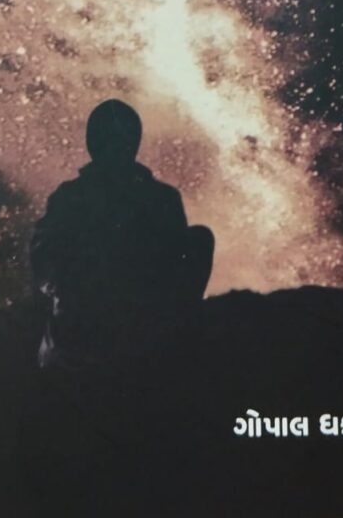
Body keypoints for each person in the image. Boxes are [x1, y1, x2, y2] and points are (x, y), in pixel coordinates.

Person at [30, 99, 214, 368]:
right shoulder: (163, 197)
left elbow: (42, 264)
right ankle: (177, 336)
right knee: (200, 238)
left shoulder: (68, 196)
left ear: (92, 143)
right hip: (145, 329)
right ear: (134, 142)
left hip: (78, 334)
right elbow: (177, 266)